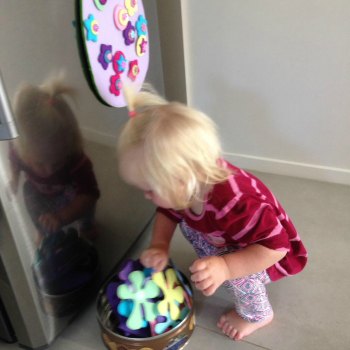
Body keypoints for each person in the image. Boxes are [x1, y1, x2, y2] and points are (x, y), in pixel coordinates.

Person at [117, 86, 307, 341]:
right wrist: (160, 245)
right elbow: (168, 210)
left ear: (182, 179)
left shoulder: (237, 203)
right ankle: (217, 258)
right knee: (186, 222)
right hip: (224, 236)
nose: (146, 196)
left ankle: (258, 315)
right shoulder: (185, 186)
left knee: (242, 277)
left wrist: (226, 267)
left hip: (262, 252)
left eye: (150, 190)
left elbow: (276, 247)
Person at [9, 73, 100, 243]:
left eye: (57, 162)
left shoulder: (76, 159)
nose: (49, 170)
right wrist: (14, 178)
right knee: (28, 192)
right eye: (39, 163)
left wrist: (62, 217)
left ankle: (87, 225)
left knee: (86, 203)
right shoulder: (18, 151)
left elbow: (90, 194)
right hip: (41, 192)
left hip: (68, 192)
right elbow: (14, 162)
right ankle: (42, 228)